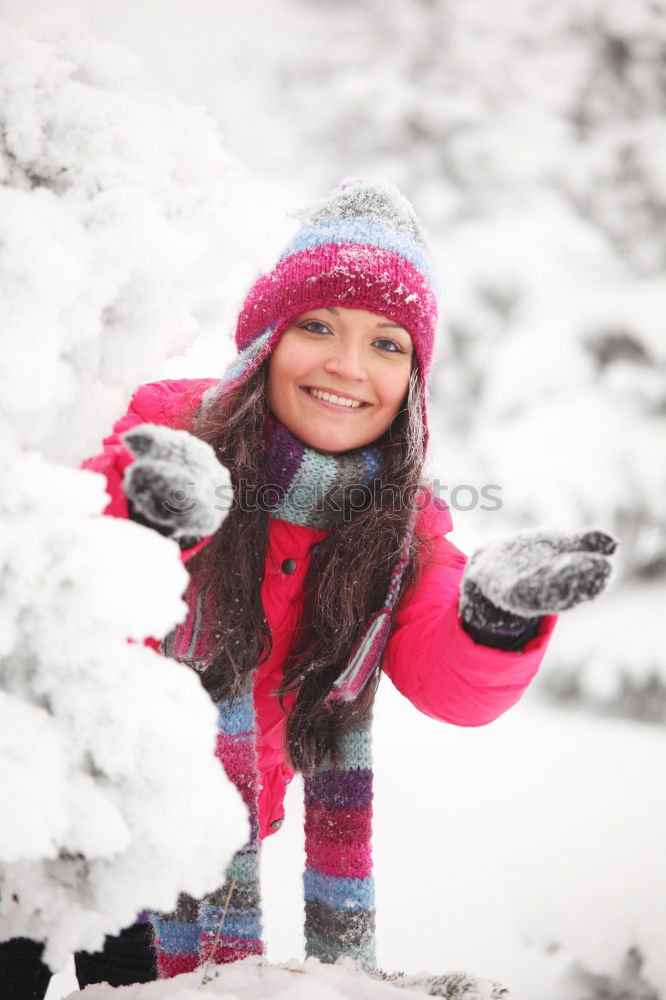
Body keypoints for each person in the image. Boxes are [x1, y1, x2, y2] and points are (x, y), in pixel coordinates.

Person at [0, 178, 618, 998]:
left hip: (183, 861)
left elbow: (447, 677)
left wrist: (493, 619)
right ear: (265, 342)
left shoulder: (406, 528)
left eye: (387, 344)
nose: (347, 366)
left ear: (414, 380)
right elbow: (49, 570)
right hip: (36, 821)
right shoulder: (158, 429)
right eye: (318, 326)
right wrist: (147, 517)